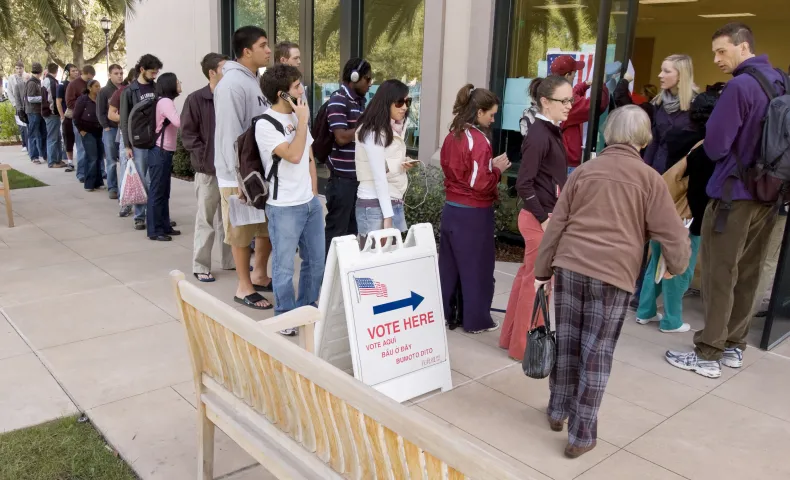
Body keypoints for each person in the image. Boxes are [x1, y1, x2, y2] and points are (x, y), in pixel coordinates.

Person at [534, 105, 690, 459]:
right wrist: (678, 266)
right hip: (614, 275)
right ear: (644, 138)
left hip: (571, 265)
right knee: (596, 353)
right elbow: (673, 234)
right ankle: (581, 434)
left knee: (569, 342)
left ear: (608, 134)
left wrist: (543, 270)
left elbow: (557, 223)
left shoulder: (584, 172)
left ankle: (558, 411)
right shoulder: (650, 179)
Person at [666, 23, 787, 379]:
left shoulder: (740, 86)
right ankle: (734, 346)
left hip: (734, 195)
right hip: (771, 194)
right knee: (750, 273)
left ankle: (708, 353)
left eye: (722, 51)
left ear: (743, 46)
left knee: (720, 273)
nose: (717, 59)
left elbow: (716, 145)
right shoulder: (781, 81)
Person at [636, 89, 720, 333]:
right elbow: (698, 191)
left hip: (663, 208)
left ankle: (645, 311)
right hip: (687, 215)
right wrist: (697, 223)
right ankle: (672, 320)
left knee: (655, 261)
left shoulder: (675, 136)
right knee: (679, 267)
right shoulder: (708, 148)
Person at [500, 75, 572, 361]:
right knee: (537, 285)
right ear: (545, 101)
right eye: (563, 100)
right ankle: (524, 348)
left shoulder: (548, 131)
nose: (569, 105)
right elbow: (524, 183)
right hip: (539, 218)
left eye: (570, 100)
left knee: (528, 281)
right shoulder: (540, 134)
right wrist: (544, 219)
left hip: (541, 216)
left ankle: (512, 341)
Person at [256, 64, 324, 334]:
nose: (302, 90)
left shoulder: (297, 118)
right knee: (284, 266)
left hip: (308, 203)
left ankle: (306, 310)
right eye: (297, 87)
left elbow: (308, 157)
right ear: (282, 94)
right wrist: (304, 121)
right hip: (283, 206)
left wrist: (315, 195)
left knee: (316, 261)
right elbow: (293, 154)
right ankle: (284, 316)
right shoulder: (265, 123)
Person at [439, 84, 511, 333]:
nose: (492, 120)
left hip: (452, 209)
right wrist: (497, 169)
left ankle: (447, 315)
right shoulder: (479, 140)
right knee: (477, 269)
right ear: (479, 112)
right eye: (491, 115)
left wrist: (487, 166)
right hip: (474, 214)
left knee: (449, 268)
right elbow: (480, 183)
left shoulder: (452, 135)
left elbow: (462, 173)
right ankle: (476, 321)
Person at [214, 25, 274, 310]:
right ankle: (243, 286)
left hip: (258, 172)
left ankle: (259, 275)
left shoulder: (255, 81)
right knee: (241, 230)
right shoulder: (231, 85)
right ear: (247, 51)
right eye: (263, 45)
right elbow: (229, 134)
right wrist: (239, 178)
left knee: (263, 228)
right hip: (238, 175)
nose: (269, 50)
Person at [181, 53, 234, 281]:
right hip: (208, 172)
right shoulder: (195, 99)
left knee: (229, 220)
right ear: (212, 73)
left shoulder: (232, 96)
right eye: (224, 68)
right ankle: (201, 266)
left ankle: (230, 261)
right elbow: (188, 135)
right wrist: (205, 157)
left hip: (230, 171)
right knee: (206, 219)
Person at [354, 79, 415, 243]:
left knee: (389, 263)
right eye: (399, 102)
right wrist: (388, 216)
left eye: (407, 101)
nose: (404, 106)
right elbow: (379, 176)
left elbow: (387, 164)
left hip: (392, 200)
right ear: (387, 101)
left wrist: (401, 164)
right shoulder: (371, 131)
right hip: (375, 203)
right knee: (373, 264)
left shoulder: (393, 127)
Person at [324, 58, 373, 255]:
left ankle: (345, 276)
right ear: (354, 77)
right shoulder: (338, 100)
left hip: (357, 178)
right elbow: (341, 137)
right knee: (337, 231)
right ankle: (326, 278)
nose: (370, 84)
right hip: (342, 180)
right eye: (367, 79)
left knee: (353, 231)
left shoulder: (360, 102)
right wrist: (365, 127)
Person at [120, 54, 163, 231]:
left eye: (157, 73)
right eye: (152, 72)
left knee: (155, 180)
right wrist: (127, 145)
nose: (155, 75)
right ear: (142, 70)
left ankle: (154, 214)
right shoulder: (129, 91)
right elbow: (124, 120)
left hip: (156, 140)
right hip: (138, 142)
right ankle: (139, 216)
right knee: (141, 179)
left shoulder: (157, 88)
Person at [549, 54, 609, 173]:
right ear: (567, 75)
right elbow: (597, 106)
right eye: (574, 73)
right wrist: (602, 85)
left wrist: (585, 84)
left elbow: (574, 94)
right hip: (568, 162)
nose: (575, 75)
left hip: (557, 157)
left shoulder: (553, 92)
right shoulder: (568, 100)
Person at [643, 55, 698, 175]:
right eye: (661, 70)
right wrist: (644, 169)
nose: (660, 75)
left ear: (681, 76)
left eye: (666, 71)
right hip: (656, 170)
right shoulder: (659, 103)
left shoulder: (697, 105)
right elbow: (655, 139)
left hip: (679, 175)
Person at [145, 73, 182, 241]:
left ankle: (165, 225)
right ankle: (155, 230)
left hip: (163, 151)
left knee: (164, 191)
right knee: (158, 191)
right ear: (170, 85)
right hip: (160, 151)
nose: (180, 83)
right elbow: (178, 122)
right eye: (177, 81)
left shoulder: (164, 101)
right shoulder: (165, 102)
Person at [109, 69, 137, 217]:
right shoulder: (122, 92)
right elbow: (111, 114)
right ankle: (125, 203)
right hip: (126, 135)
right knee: (126, 169)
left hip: (145, 136)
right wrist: (127, 119)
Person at [73, 80, 105, 192]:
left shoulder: (100, 99)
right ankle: (89, 183)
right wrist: (81, 129)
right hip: (87, 131)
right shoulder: (83, 100)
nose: (98, 88)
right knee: (92, 157)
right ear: (90, 88)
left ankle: (98, 181)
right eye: (96, 86)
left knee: (99, 156)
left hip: (99, 131)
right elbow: (76, 116)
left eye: (99, 86)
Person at [97, 64, 124, 200]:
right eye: (116, 73)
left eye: (121, 73)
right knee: (111, 160)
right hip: (111, 129)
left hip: (123, 129)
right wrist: (106, 126)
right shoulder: (104, 91)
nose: (119, 75)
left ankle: (125, 188)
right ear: (110, 75)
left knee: (124, 159)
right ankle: (113, 187)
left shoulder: (126, 89)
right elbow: (100, 111)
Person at [66, 65, 96, 182]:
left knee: (94, 148)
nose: (90, 80)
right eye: (89, 78)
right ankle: (81, 173)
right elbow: (69, 102)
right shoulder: (73, 85)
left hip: (92, 121)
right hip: (79, 119)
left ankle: (95, 172)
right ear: (85, 73)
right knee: (82, 147)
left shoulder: (92, 84)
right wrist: (84, 106)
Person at [41, 63, 66, 168]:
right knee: (52, 138)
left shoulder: (48, 80)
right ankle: (52, 161)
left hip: (49, 113)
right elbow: (51, 99)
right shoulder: (50, 82)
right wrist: (55, 111)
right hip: (51, 114)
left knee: (57, 137)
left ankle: (58, 159)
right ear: (56, 70)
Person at [24, 62, 47, 165]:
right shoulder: (32, 83)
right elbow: (30, 98)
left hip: (39, 112)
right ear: (40, 72)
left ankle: (45, 155)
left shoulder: (38, 81)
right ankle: (34, 156)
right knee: (33, 134)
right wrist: (44, 98)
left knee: (43, 134)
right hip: (33, 112)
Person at [58, 64, 79, 172]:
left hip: (80, 117)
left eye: (76, 70)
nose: (76, 72)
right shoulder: (63, 85)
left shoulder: (80, 84)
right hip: (68, 116)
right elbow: (58, 101)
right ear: (68, 73)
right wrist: (62, 116)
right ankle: (70, 162)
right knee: (68, 139)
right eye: (73, 71)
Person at [7, 61, 28, 152]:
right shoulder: (11, 78)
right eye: (17, 68)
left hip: (27, 104)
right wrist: (15, 104)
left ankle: (29, 143)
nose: (19, 70)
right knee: (21, 124)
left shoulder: (27, 76)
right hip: (18, 105)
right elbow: (9, 92)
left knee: (28, 124)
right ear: (15, 69)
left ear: (23, 68)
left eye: (20, 68)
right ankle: (24, 144)